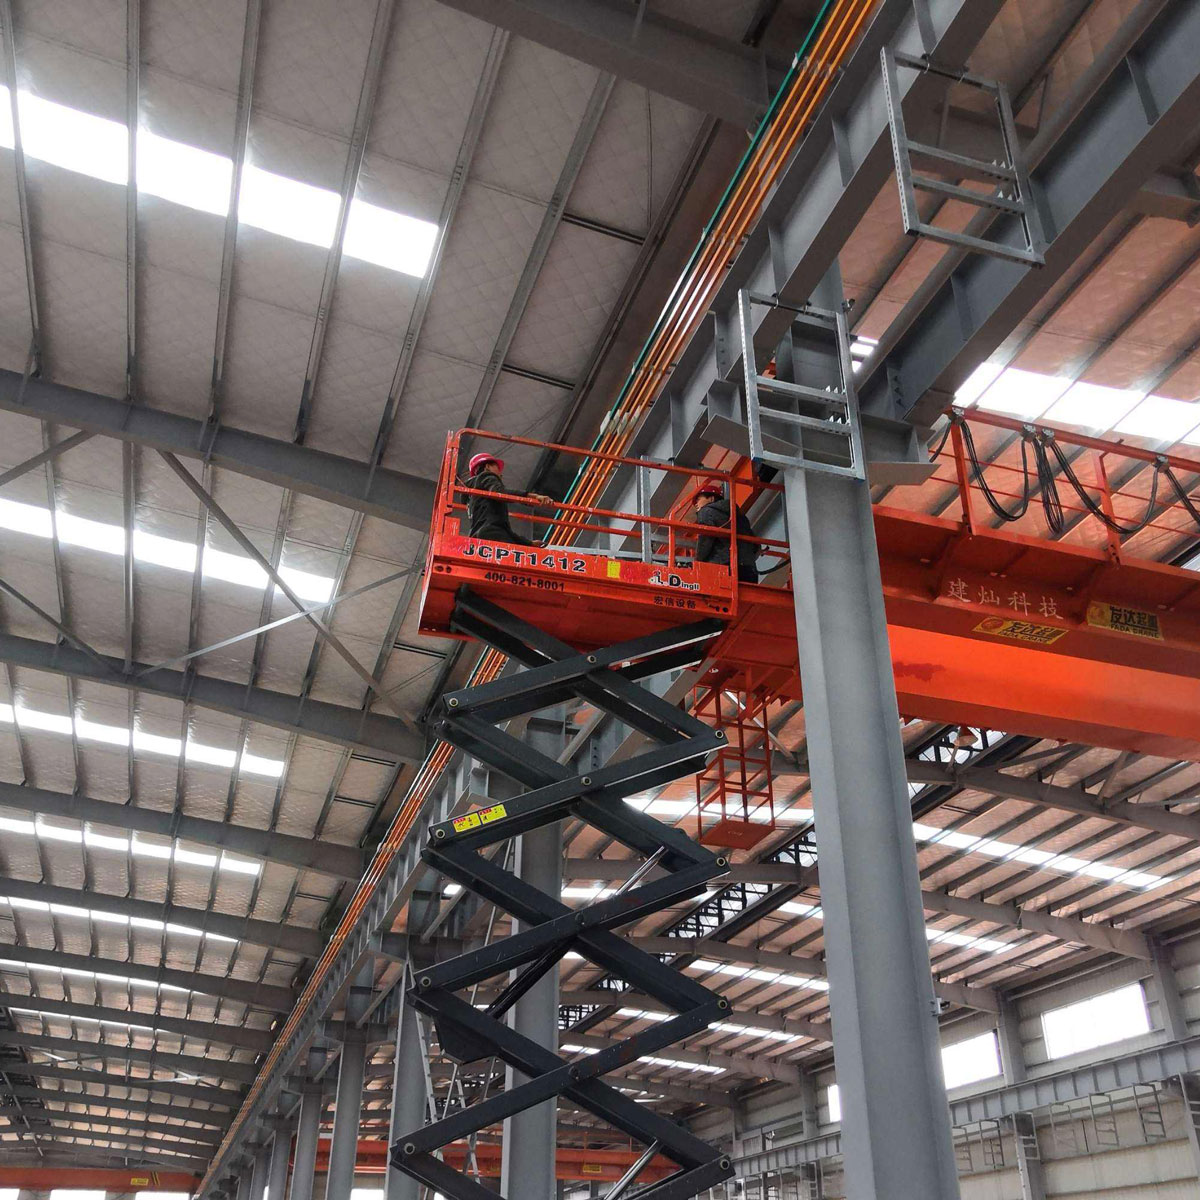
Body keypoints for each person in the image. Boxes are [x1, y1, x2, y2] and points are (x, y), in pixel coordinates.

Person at [465, 452, 554, 547]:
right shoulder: (487, 477)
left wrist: (529, 543)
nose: (501, 474)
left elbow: (504, 530)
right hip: (492, 534)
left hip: (477, 540)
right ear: (487, 467)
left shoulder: (474, 497)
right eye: (497, 468)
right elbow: (500, 493)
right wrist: (533, 496)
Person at [693, 482, 759, 583]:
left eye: (698, 499)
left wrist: (697, 562)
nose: (696, 504)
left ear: (711, 498)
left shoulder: (706, 511)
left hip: (724, 569)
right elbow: (754, 543)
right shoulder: (740, 515)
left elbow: (705, 540)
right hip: (749, 569)